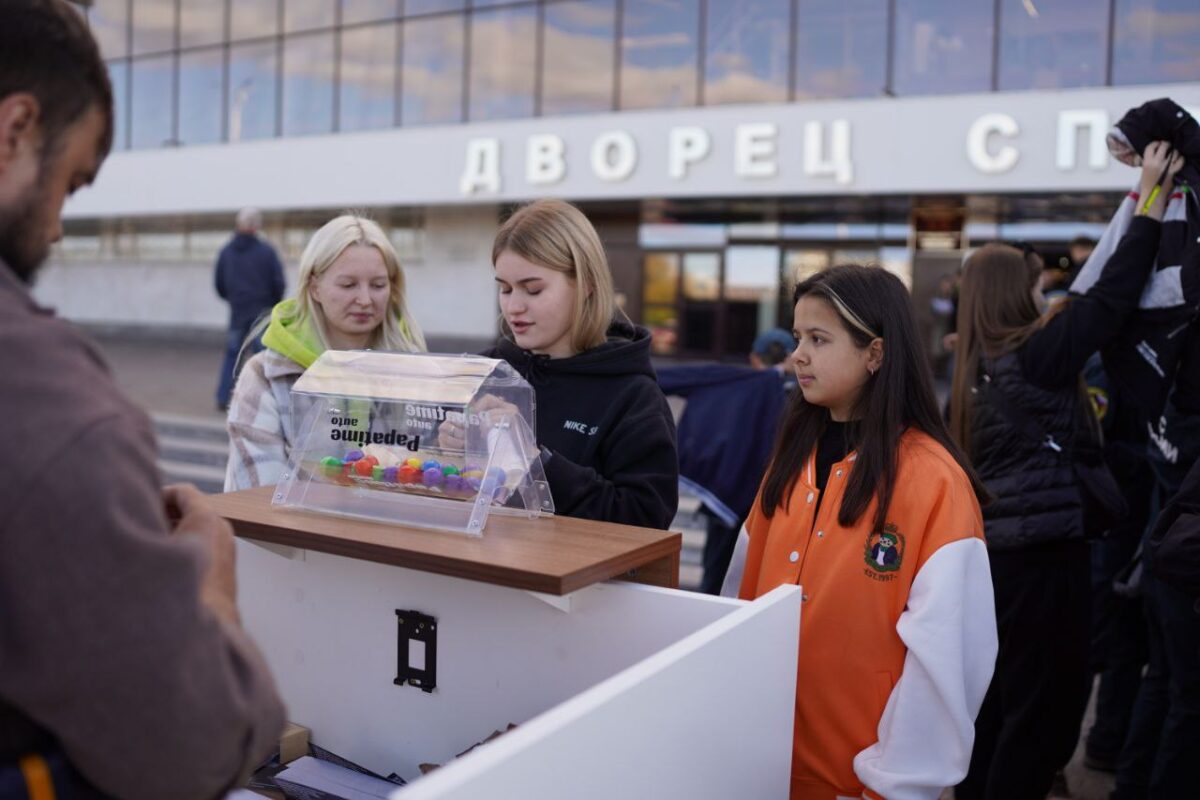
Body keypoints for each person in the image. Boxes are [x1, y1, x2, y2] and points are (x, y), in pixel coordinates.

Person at [0, 2, 285, 797]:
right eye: (69, 182)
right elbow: (195, 747)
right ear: (15, 130)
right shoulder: (52, 404)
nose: (56, 227)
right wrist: (211, 583)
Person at [950, 142, 1181, 800]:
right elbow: (1108, 296)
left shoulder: (970, 368)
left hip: (992, 562)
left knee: (994, 710)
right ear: (1012, 292)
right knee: (1043, 718)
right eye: (1033, 282)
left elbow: (1092, 289)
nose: (1044, 290)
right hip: (1045, 563)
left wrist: (1141, 197)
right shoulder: (1038, 357)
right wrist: (1149, 199)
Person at [727, 264, 997, 799]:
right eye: (798, 336)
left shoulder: (934, 479)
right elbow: (739, 592)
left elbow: (949, 659)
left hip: (858, 782)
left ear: (875, 354)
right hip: (757, 765)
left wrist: (897, 782)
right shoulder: (791, 456)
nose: (798, 353)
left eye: (819, 339)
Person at [439, 199, 678, 528]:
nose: (514, 306)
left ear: (586, 285)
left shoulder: (633, 396)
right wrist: (444, 449)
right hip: (474, 572)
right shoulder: (483, 373)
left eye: (533, 290)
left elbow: (646, 519)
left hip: (575, 578)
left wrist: (537, 463)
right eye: (505, 289)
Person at [225, 214, 426, 491]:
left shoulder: (415, 372)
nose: (365, 299)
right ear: (314, 286)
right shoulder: (266, 377)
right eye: (348, 285)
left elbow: (429, 480)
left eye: (378, 285)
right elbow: (256, 498)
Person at [214, 206, 286, 411]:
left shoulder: (226, 252)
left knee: (232, 356)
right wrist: (271, 304)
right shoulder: (267, 252)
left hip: (237, 311)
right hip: (261, 312)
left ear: (238, 224)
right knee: (263, 358)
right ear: (257, 227)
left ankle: (223, 397)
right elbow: (278, 282)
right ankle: (267, 399)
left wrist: (234, 300)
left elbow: (219, 284)